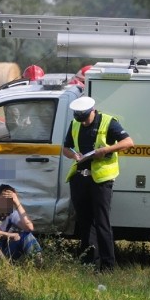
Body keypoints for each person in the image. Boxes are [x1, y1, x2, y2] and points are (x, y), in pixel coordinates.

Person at [62, 96, 134, 271]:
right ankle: (89, 263)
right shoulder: (76, 123)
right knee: (84, 223)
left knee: (102, 222)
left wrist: (106, 149)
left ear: (92, 111)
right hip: (80, 178)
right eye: (80, 119)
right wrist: (74, 155)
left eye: (86, 118)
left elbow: (129, 142)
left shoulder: (109, 122)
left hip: (101, 181)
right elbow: (65, 148)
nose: (84, 123)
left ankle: (108, 266)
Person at [0, 184, 43, 265]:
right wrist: (9, 235)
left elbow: (29, 227)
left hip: (6, 249)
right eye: (3, 199)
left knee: (27, 235)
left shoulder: (11, 214)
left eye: (9, 201)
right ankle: (6, 268)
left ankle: (37, 263)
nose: (5, 203)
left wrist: (17, 203)